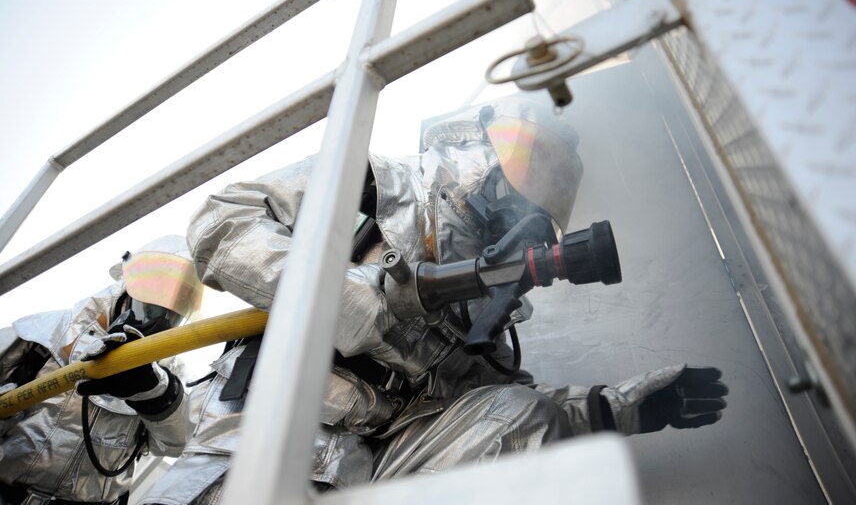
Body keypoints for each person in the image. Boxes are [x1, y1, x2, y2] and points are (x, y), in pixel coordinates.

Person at [139, 95, 727, 504]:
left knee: (522, 415)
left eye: (555, 180)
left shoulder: (496, 311)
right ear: (481, 140)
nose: (536, 186)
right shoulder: (380, 187)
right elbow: (222, 222)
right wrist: (347, 296)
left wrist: (617, 407)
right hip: (257, 445)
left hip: (370, 472)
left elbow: (498, 417)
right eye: (529, 156)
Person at [0, 235, 204, 505]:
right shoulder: (50, 333)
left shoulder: (168, 376)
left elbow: (178, 442)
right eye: (157, 286)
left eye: (181, 295)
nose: (165, 304)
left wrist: (152, 392)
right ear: (127, 283)